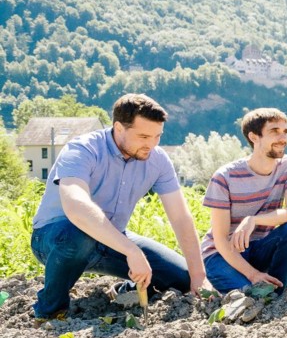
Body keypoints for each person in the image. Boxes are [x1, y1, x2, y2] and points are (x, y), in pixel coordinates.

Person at [29, 94, 210, 318]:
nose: (151, 144)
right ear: (119, 128)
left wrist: (199, 275)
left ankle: (128, 291)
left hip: (113, 240)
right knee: (79, 235)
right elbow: (76, 207)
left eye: (157, 136)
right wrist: (131, 250)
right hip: (57, 237)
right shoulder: (83, 149)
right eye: (144, 136)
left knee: (182, 278)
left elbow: (181, 218)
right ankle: (50, 309)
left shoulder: (158, 160)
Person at [201, 108, 287, 294]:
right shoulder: (224, 177)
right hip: (222, 255)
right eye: (274, 131)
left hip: (259, 248)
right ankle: (243, 286)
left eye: (285, 132)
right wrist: (252, 275)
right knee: (250, 296)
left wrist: (254, 219)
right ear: (254, 137)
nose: (283, 138)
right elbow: (220, 239)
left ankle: (277, 290)